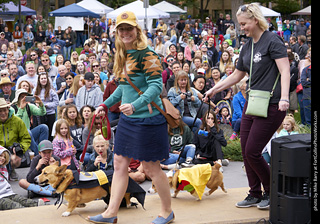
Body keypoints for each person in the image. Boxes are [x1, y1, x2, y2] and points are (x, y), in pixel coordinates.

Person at [89, 11, 174, 224]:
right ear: (117, 32)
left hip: (148, 120)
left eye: (129, 28)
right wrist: (104, 105)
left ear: (137, 31)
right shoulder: (122, 55)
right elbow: (122, 89)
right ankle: (111, 213)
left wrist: (135, 106)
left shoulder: (148, 55)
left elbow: (156, 87)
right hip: (129, 120)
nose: (125, 32)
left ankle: (167, 211)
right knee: (119, 164)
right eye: (122, 29)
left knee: (151, 168)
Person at [204, 3, 290, 210]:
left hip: (272, 104)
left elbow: (285, 70)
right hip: (253, 102)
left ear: (255, 20)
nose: (241, 28)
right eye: (240, 24)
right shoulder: (248, 45)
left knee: (252, 151)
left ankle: (272, 192)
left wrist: (285, 98)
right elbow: (237, 75)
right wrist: (215, 89)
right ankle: (254, 193)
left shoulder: (272, 40)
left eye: (244, 23)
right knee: (245, 150)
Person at [0, 98, 31, 180]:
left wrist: (20, 148)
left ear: (8, 109)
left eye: (4, 110)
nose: (3, 113)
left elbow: (26, 138)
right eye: (0, 111)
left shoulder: (17, 121)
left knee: (15, 158)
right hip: (0, 150)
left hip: (11, 150)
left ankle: (12, 169)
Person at [11, 88, 48, 155]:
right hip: (17, 136)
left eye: (26, 97)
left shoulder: (29, 106)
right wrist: (21, 109)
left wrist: (41, 104)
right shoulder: (12, 108)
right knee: (27, 131)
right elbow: (15, 122)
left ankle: (43, 149)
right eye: (22, 97)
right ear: (18, 98)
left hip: (29, 133)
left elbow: (42, 113)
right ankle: (39, 154)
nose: (24, 99)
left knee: (44, 127)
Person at [33, 72, 59, 141]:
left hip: (50, 113)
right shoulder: (35, 90)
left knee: (50, 131)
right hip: (40, 113)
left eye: (45, 78)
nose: (43, 80)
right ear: (39, 80)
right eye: (42, 78)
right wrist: (36, 104)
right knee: (42, 130)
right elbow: (33, 100)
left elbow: (56, 102)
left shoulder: (51, 90)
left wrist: (46, 105)